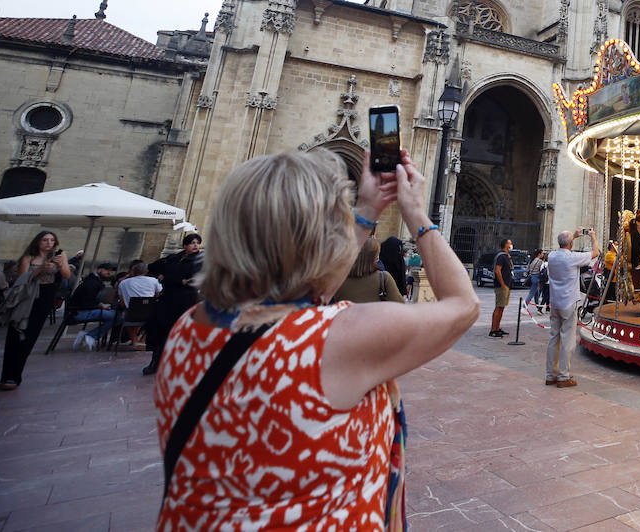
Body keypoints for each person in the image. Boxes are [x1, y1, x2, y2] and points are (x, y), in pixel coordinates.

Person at [155, 148, 478, 528]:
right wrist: (416, 214)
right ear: (319, 239)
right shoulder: (332, 341)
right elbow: (463, 304)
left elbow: (310, 293)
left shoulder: (188, 329)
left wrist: (368, 208)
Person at [0, 231, 71, 390]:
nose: (49, 243)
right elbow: (22, 279)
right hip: (27, 296)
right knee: (15, 332)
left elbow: (67, 275)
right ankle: (6, 376)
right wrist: (40, 269)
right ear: (38, 242)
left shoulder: (59, 254)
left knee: (30, 335)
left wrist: (61, 265)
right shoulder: (28, 257)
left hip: (45, 296)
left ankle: (15, 377)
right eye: (45, 240)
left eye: (52, 240)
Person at [545, 227, 599, 387]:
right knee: (568, 340)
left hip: (554, 303)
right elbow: (595, 253)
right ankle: (563, 376)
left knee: (553, 338)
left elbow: (563, 247)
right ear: (570, 244)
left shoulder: (552, 256)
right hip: (568, 303)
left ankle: (550, 375)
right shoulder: (572, 258)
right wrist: (593, 236)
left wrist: (573, 237)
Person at [143, 233, 204, 375]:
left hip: (185, 301)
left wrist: (169, 279)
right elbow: (151, 267)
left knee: (179, 332)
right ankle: (155, 361)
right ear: (185, 245)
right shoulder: (173, 258)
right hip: (167, 299)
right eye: (192, 242)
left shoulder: (201, 261)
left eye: (197, 243)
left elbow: (193, 282)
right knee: (159, 329)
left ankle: (176, 364)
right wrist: (176, 280)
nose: (195, 245)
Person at [333, 236, 404, 304]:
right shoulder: (383, 278)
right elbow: (400, 304)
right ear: (374, 256)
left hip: (346, 316)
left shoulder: (339, 278)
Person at [68, 262, 119, 350]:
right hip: (78, 313)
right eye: (107, 270)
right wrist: (101, 305)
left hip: (81, 310)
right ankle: (91, 336)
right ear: (99, 270)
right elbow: (88, 301)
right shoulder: (92, 282)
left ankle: (91, 335)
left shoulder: (94, 281)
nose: (109, 273)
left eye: (110, 271)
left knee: (115, 316)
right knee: (116, 316)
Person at [491, 238, 513, 337]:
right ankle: (493, 330)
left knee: (502, 307)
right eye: (510, 243)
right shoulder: (501, 256)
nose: (511, 245)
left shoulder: (507, 256)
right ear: (506, 245)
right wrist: (503, 284)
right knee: (498, 307)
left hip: (506, 285)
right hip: (501, 286)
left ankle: (497, 327)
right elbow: (497, 270)